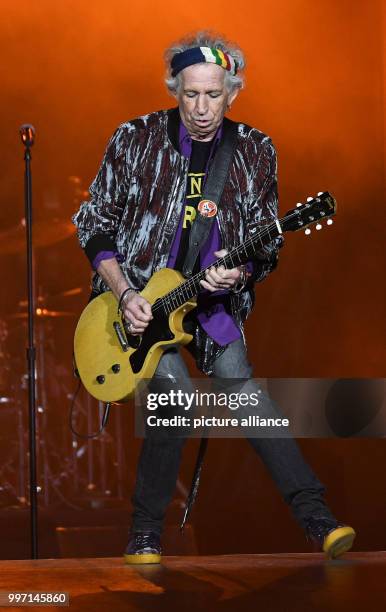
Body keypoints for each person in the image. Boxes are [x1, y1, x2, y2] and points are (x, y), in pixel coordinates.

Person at [72, 32, 355, 563]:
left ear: (233, 93)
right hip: (134, 306)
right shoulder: (135, 138)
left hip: (209, 306)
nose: (201, 108)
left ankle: (318, 520)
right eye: (190, 94)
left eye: (213, 95)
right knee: (175, 397)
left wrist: (239, 274)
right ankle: (145, 532)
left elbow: (264, 246)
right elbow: (93, 224)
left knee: (244, 393)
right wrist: (125, 291)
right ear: (174, 89)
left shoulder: (254, 151)